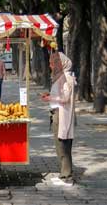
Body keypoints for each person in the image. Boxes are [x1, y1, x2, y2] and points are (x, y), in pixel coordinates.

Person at [40, 51, 76, 186]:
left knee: (63, 145)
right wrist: (50, 94)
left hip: (62, 115)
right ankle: (63, 174)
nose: (51, 66)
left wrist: (50, 98)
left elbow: (65, 98)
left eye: (53, 63)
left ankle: (67, 177)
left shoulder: (67, 78)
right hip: (57, 113)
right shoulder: (61, 77)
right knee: (59, 144)